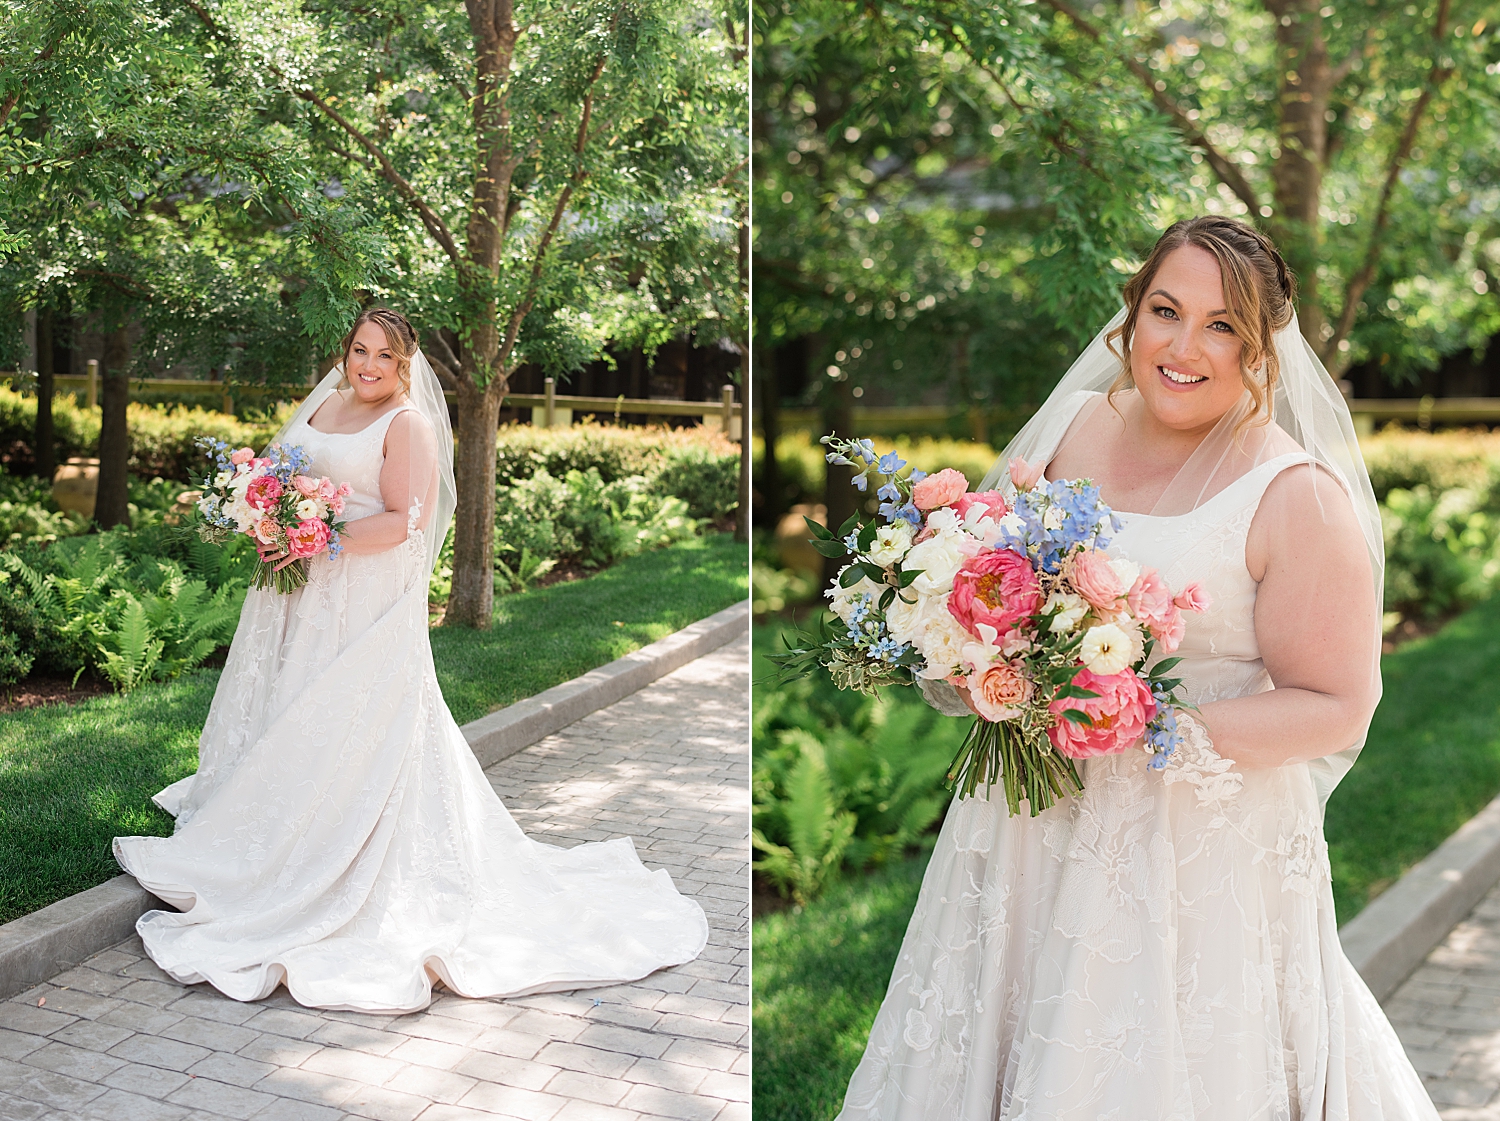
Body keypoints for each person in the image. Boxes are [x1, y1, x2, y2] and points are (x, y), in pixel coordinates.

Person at [835, 218, 1438, 1118]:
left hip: (1189, 851)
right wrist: (975, 646)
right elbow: (992, 580)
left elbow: (1338, 706)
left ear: (1262, 344)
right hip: (1030, 822)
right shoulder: (1076, 426)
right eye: (1166, 310)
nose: (1183, 347)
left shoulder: (1295, 495)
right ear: (1133, 313)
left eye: (1221, 323)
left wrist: (1150, 722)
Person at [113, 308, 708, 1015]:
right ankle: (278, 825)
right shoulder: (330, 401)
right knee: (294, 709)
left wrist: (313, 538)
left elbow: (404, 523)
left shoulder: (408, 425)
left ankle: (333, 856)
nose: (368, 365)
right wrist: (268, 514)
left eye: (384, 356)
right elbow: (288, 475)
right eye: (359, 350)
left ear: (405, 365)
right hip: (302, 593)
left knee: (349, 726)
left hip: (359, 601)